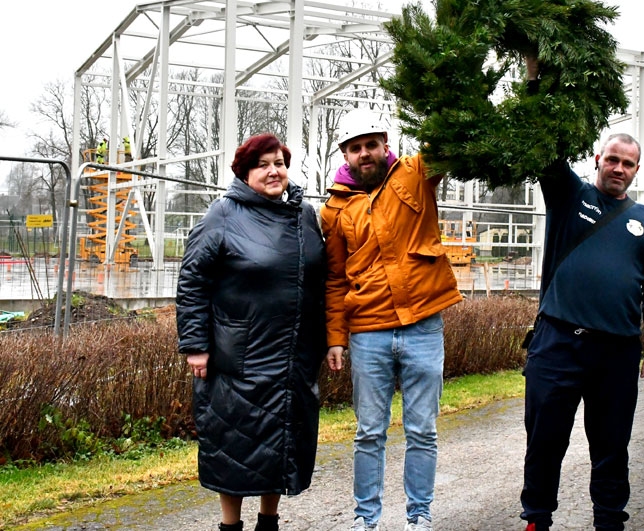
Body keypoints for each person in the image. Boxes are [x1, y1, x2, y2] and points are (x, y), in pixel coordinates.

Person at [520, 122, 644, 528]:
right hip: (557, 343)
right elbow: (546, 144)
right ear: (597, 161)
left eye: (628, 163)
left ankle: (609, 522)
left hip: (617, 352)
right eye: (612, 160)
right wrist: (539, 76)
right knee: (545, 442)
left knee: (611, 447)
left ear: (636, 170)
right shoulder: (569, 195)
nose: (619, 168)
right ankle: (536, 519)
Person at [176, 133, 327, 531]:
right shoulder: (222, 214)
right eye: (262, 164)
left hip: (293, 354)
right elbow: (193, 279)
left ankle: (269, 521)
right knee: (235, 446)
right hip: (239, 357)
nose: (273, 171)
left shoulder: (304, 214)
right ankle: (230, 526)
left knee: (279, 442)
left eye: (278, 162)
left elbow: (320, 280)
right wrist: (195, 345)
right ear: (245, 172)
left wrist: (330, 339)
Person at [321, 109, 463, 531]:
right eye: (355, 148)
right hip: (368, 332)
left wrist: (436, 85)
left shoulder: (417, 173)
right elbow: (333, 279)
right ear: (345, 155)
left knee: (422, 430)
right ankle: (366, 520)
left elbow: (449, 135)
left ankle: (419, 517)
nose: (364, 154)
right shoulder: (334, 210)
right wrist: (335, 339)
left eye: (371, 144)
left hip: (423, 326)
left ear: (385, 144)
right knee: (368, 433)